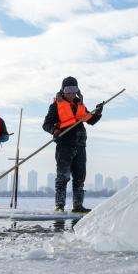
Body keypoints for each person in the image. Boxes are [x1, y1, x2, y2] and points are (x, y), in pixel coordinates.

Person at [42, 76, 103, 213]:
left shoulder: (79, 104)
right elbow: (46, 124)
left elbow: (90, 120)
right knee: (63, 177)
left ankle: (78, 206)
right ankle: (59, 205)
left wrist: (98, 112)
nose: (71, 93)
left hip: (80, 145)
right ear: (63, 91)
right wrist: (54, 130)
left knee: (80, 177)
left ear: (77, 90)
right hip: (64, 145)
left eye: (73, 90)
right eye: (68, 90)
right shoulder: (55, 106)